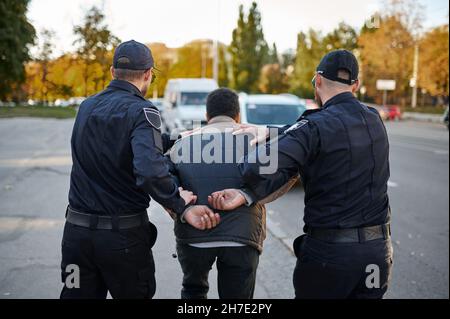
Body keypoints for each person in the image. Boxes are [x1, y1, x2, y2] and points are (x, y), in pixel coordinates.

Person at [209, 50, 393, 299]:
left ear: (317, 80)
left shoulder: (314, 127)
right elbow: (327, 130)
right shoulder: (373, 118)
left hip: (330, 257)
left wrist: (253, 155)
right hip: (377, 254)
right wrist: (274, 131)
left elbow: (256, 168)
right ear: (356, 85)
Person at [60, 40, 220, 299]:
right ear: (147, 74)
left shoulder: (86, 107)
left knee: (74, 294)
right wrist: (179, 204)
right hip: (122, 240)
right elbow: (148, 170)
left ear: (113, 72)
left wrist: (175, 138)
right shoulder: (142, 110)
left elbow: (113, 144)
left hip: (76, 237)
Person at [168, 88, 268, 299]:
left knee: (193, 291)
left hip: (194, 235)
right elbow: (282, 179)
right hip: (242, 236)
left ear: (207, 116)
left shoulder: (183, 142)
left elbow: (163, 182)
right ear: (238, 115)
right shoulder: (257, 141)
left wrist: (181, 210)